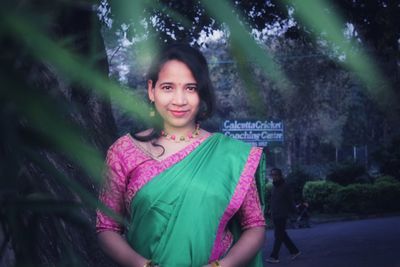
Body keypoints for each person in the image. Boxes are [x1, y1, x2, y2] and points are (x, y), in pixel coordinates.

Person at [96, 43, 267, 267]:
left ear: (202, 92)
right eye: (168, 87)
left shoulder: (231, 156)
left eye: (191, 88)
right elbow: (106, 227)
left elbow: (254, 224)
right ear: (151, 90)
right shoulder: (124, 152)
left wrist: (222, 266)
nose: (179, 100)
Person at [266, 168, 301, 264]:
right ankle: (295, 251)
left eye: (276, 174)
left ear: (280, 175)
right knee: (282, 235)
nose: (274, 176)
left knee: (278, 235)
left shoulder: (285, 187)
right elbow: (273, 200)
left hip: (282, 215)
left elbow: (290, 201)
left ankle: (274, 256)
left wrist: (296, 211)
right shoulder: (274, 187)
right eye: (272, 175)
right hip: (275, 214)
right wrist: (270, 210)